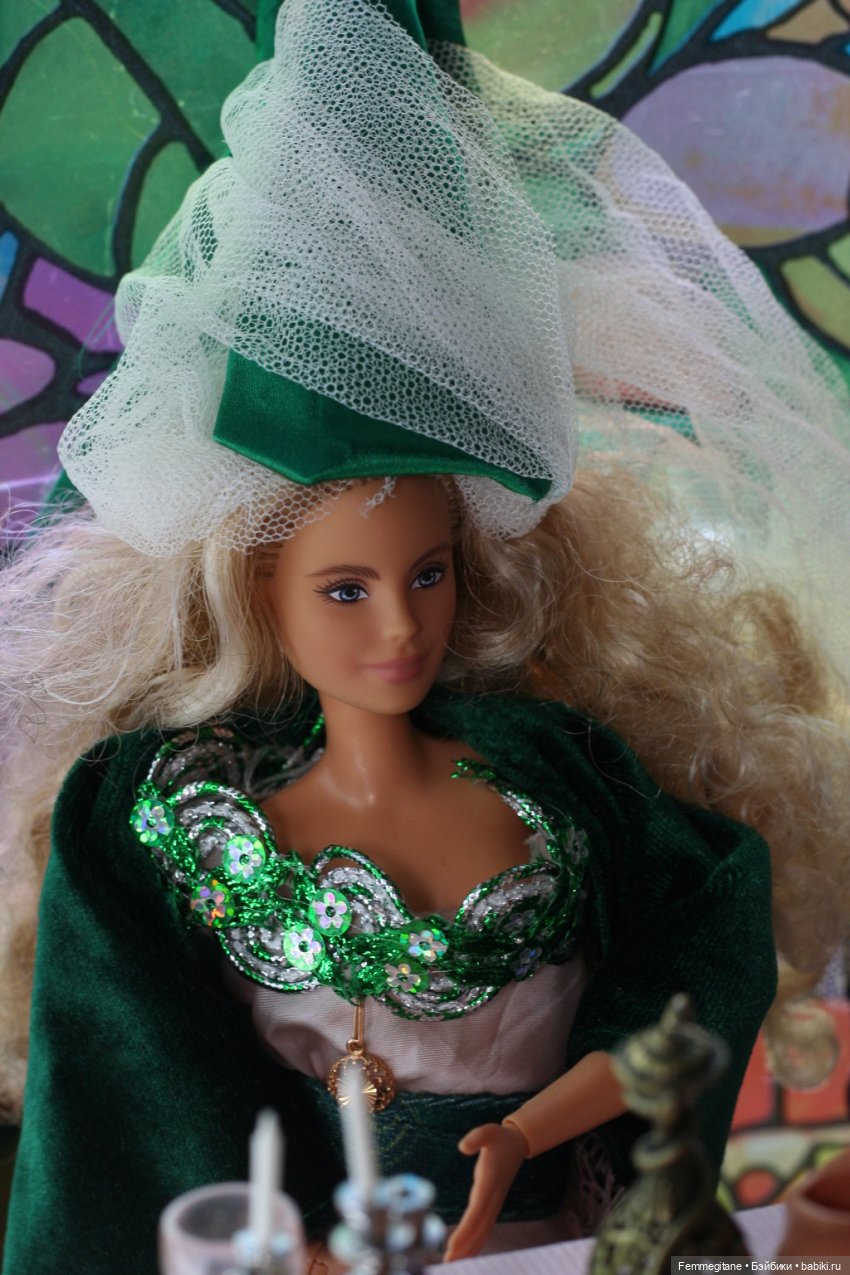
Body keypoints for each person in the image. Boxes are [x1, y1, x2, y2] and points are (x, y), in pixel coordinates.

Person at [1, 0, 849, 1271]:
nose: (401, 626)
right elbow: (129, 1107)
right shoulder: (164, 816)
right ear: (258, 594)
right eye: (344, 590)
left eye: (432, 573)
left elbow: (697, 954)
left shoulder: (563, 785)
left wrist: (534, 1134)